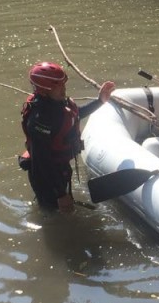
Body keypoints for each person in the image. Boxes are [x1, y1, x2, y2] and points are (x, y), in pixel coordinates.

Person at [20, 62, 115, 212]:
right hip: (46, 177)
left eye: (63, 85)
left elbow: (72, 117)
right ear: (44, 91)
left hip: (60, 169)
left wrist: (100, 101)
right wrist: (61, 194)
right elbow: (42, 161)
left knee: (66, 211)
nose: (63, 89)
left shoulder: (57, 103)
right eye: (58, 87)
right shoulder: (40, 119)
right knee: (55, 216)